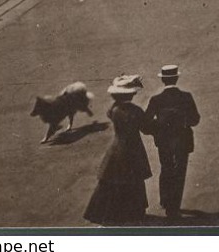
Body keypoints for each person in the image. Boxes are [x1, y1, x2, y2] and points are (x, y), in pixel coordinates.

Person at [83, 75, 152, 225]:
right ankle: (134, 212)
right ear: (131, 94)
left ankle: (107, 215)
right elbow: (147, 128)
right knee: (135, 180)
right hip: (133, 149)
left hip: (116, 148)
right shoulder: (136, 111)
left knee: (111, 181)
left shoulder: (113, 109)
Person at [142, 65, 200, 221]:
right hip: (183, 140)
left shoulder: (156, 100)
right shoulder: (186, 97)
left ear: (162, 80)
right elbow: (195, 120)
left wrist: (157, 130)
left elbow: (145, 124)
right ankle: (175, 207)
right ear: (177, 78)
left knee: (166, 168)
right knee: (180, 171)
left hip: (164, 141)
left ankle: (165, 201)